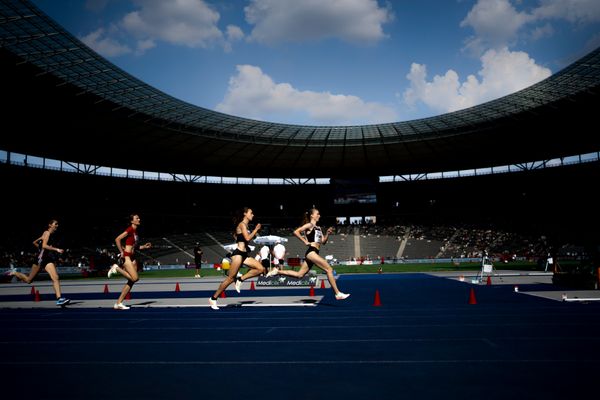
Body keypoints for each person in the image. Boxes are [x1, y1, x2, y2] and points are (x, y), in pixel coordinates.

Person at [267, 208, 349, 300]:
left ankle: (277, 271)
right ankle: (337, 293)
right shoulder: (309, 225)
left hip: (314, 252)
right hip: (311, 252)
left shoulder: (319, 228)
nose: (319, 215)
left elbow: (323, 242)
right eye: (317, 214)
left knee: (299, 275)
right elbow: (296, 232)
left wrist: (327, 234)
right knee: (329, 269)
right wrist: (305, 241)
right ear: (312, 215)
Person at [208, 207, 265, 310]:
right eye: (251, 213)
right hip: (238, 254)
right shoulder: (242, 224)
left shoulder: (246, 225)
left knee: (261, 269)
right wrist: (256, 230)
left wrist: (244, 244)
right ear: (245, 214)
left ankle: (240, 279)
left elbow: (241, 238)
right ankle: (213, 298)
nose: (253, 215)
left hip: (244, 254)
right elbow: (247, 238)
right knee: (230, 278)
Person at [10, 219, 70, 306]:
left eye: (57, 224)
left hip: (47, 259)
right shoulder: (47, 233)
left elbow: (34, 242)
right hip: (40, 259)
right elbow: (44, 246)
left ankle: (59, 299)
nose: (57, 225)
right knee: (29, 280)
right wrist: (56, 249)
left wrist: (40, 247)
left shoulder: (47, 234)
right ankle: (14, 272)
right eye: (55, 224)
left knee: (55, 277)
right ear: (50, 225)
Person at [107, 214, 152, 310]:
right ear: (132, 221)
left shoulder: (135, 232)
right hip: (127, 257)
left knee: (131, 282)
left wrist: (143, 247)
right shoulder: (130, 229)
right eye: (137, 218)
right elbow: (117, 239)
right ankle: (116, 268)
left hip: (132, 257)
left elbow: (134, 247)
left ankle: (118, 303)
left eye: (139, 218)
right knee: (135, 278)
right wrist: (121, 252)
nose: (139, 219)